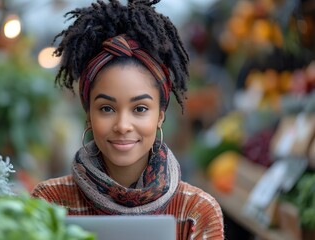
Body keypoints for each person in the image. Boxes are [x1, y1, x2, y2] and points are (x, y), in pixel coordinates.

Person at [31, 0, 224, 239]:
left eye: (140, 108)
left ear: (160, 116)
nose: (123, 125)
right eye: (106, 109)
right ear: (88, 115)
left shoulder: (196, 211)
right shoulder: (50, 202)